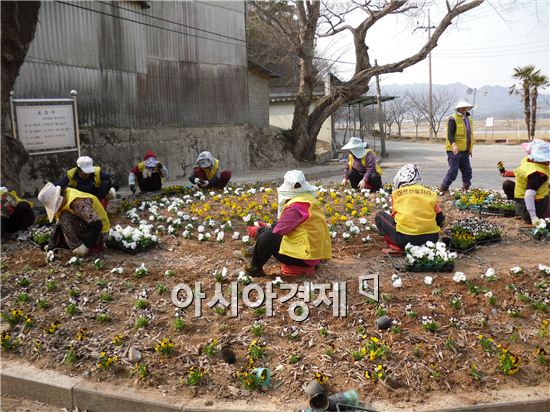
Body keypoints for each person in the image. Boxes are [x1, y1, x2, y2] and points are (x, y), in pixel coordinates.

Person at [242, 170, 332, 277]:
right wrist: (269, 226)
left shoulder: (295, 207)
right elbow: (287, 225)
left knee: (266, 238)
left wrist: (259, 231)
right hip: (312, 254)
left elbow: (278, 231)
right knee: (270, 233)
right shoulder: (307, 201)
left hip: (303, 258)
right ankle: (253, 252)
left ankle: (254, 268)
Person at [375, 164, 445, 249]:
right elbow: (440, 219)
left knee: (379, 215)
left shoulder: (397, 194)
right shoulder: (430, 193)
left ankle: (394, 243)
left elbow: (396, 219)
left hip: (406, 240)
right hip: (431, 239)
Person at [38, 182, 110, 256]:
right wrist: (51, 245)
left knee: (65, 217)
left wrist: (86, 246)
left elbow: (97, 225)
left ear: (60, 198)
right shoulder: (65, 199)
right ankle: (76, 245)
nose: (57, 208)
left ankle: (78, 246)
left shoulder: (78, 201)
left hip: (100, 234)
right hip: (87, 228)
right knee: (63, 217)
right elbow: (58, 226)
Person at [500, 139, 550, 225]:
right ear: (544, 159)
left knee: (507, 184)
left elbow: (517, 172)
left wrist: (505, 173)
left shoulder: (528, 163)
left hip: (520, 204)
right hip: (532, 210)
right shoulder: (538, 174)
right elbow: (529, 195)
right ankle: (541, 217)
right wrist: (534, 217)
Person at [440, 100, 474, 193]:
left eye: (465, 107)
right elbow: (450, 134)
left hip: (465, 150)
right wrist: (453, 145)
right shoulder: (453, 119)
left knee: (467, 170)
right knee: (453, 170)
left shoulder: (469, 119)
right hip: (454, 150)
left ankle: (465, 187)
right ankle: (443, 187)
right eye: (462, 107)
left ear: (468, 108)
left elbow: (470, 135)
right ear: (458, 108)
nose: (464, 108)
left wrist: (470, 149)